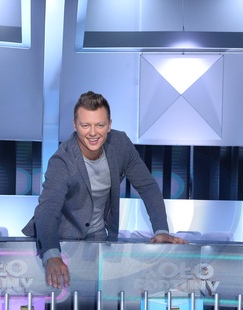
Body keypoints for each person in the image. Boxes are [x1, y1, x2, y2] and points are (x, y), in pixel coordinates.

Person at [22, 91, 187, 289]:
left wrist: (161, 230)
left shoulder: (120, 144)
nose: (93, 133)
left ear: (109, 125)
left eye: (99, 125)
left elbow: (147, 186)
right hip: (62, 240)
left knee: (100, 302)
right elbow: (48, 210)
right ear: (75, 125)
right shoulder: (62, 161)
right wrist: (52, 255)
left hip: (99, 240)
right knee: (64, 304)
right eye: (85, 125)